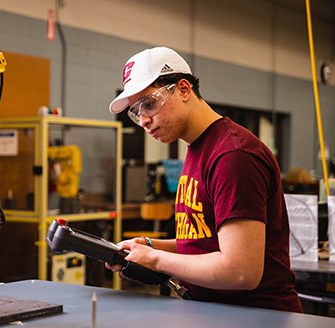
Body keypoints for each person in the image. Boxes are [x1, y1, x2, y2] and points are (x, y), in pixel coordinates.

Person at [107, 47, 302, 312]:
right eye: (135, 112)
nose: (143, 120)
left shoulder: (233, 154)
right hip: (216, 314)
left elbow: (241, 271)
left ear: (184, 89)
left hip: (258, 318)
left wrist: (155, 259)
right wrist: (150, 246)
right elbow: (203, 243)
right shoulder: (198, 148)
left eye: (149, 104)